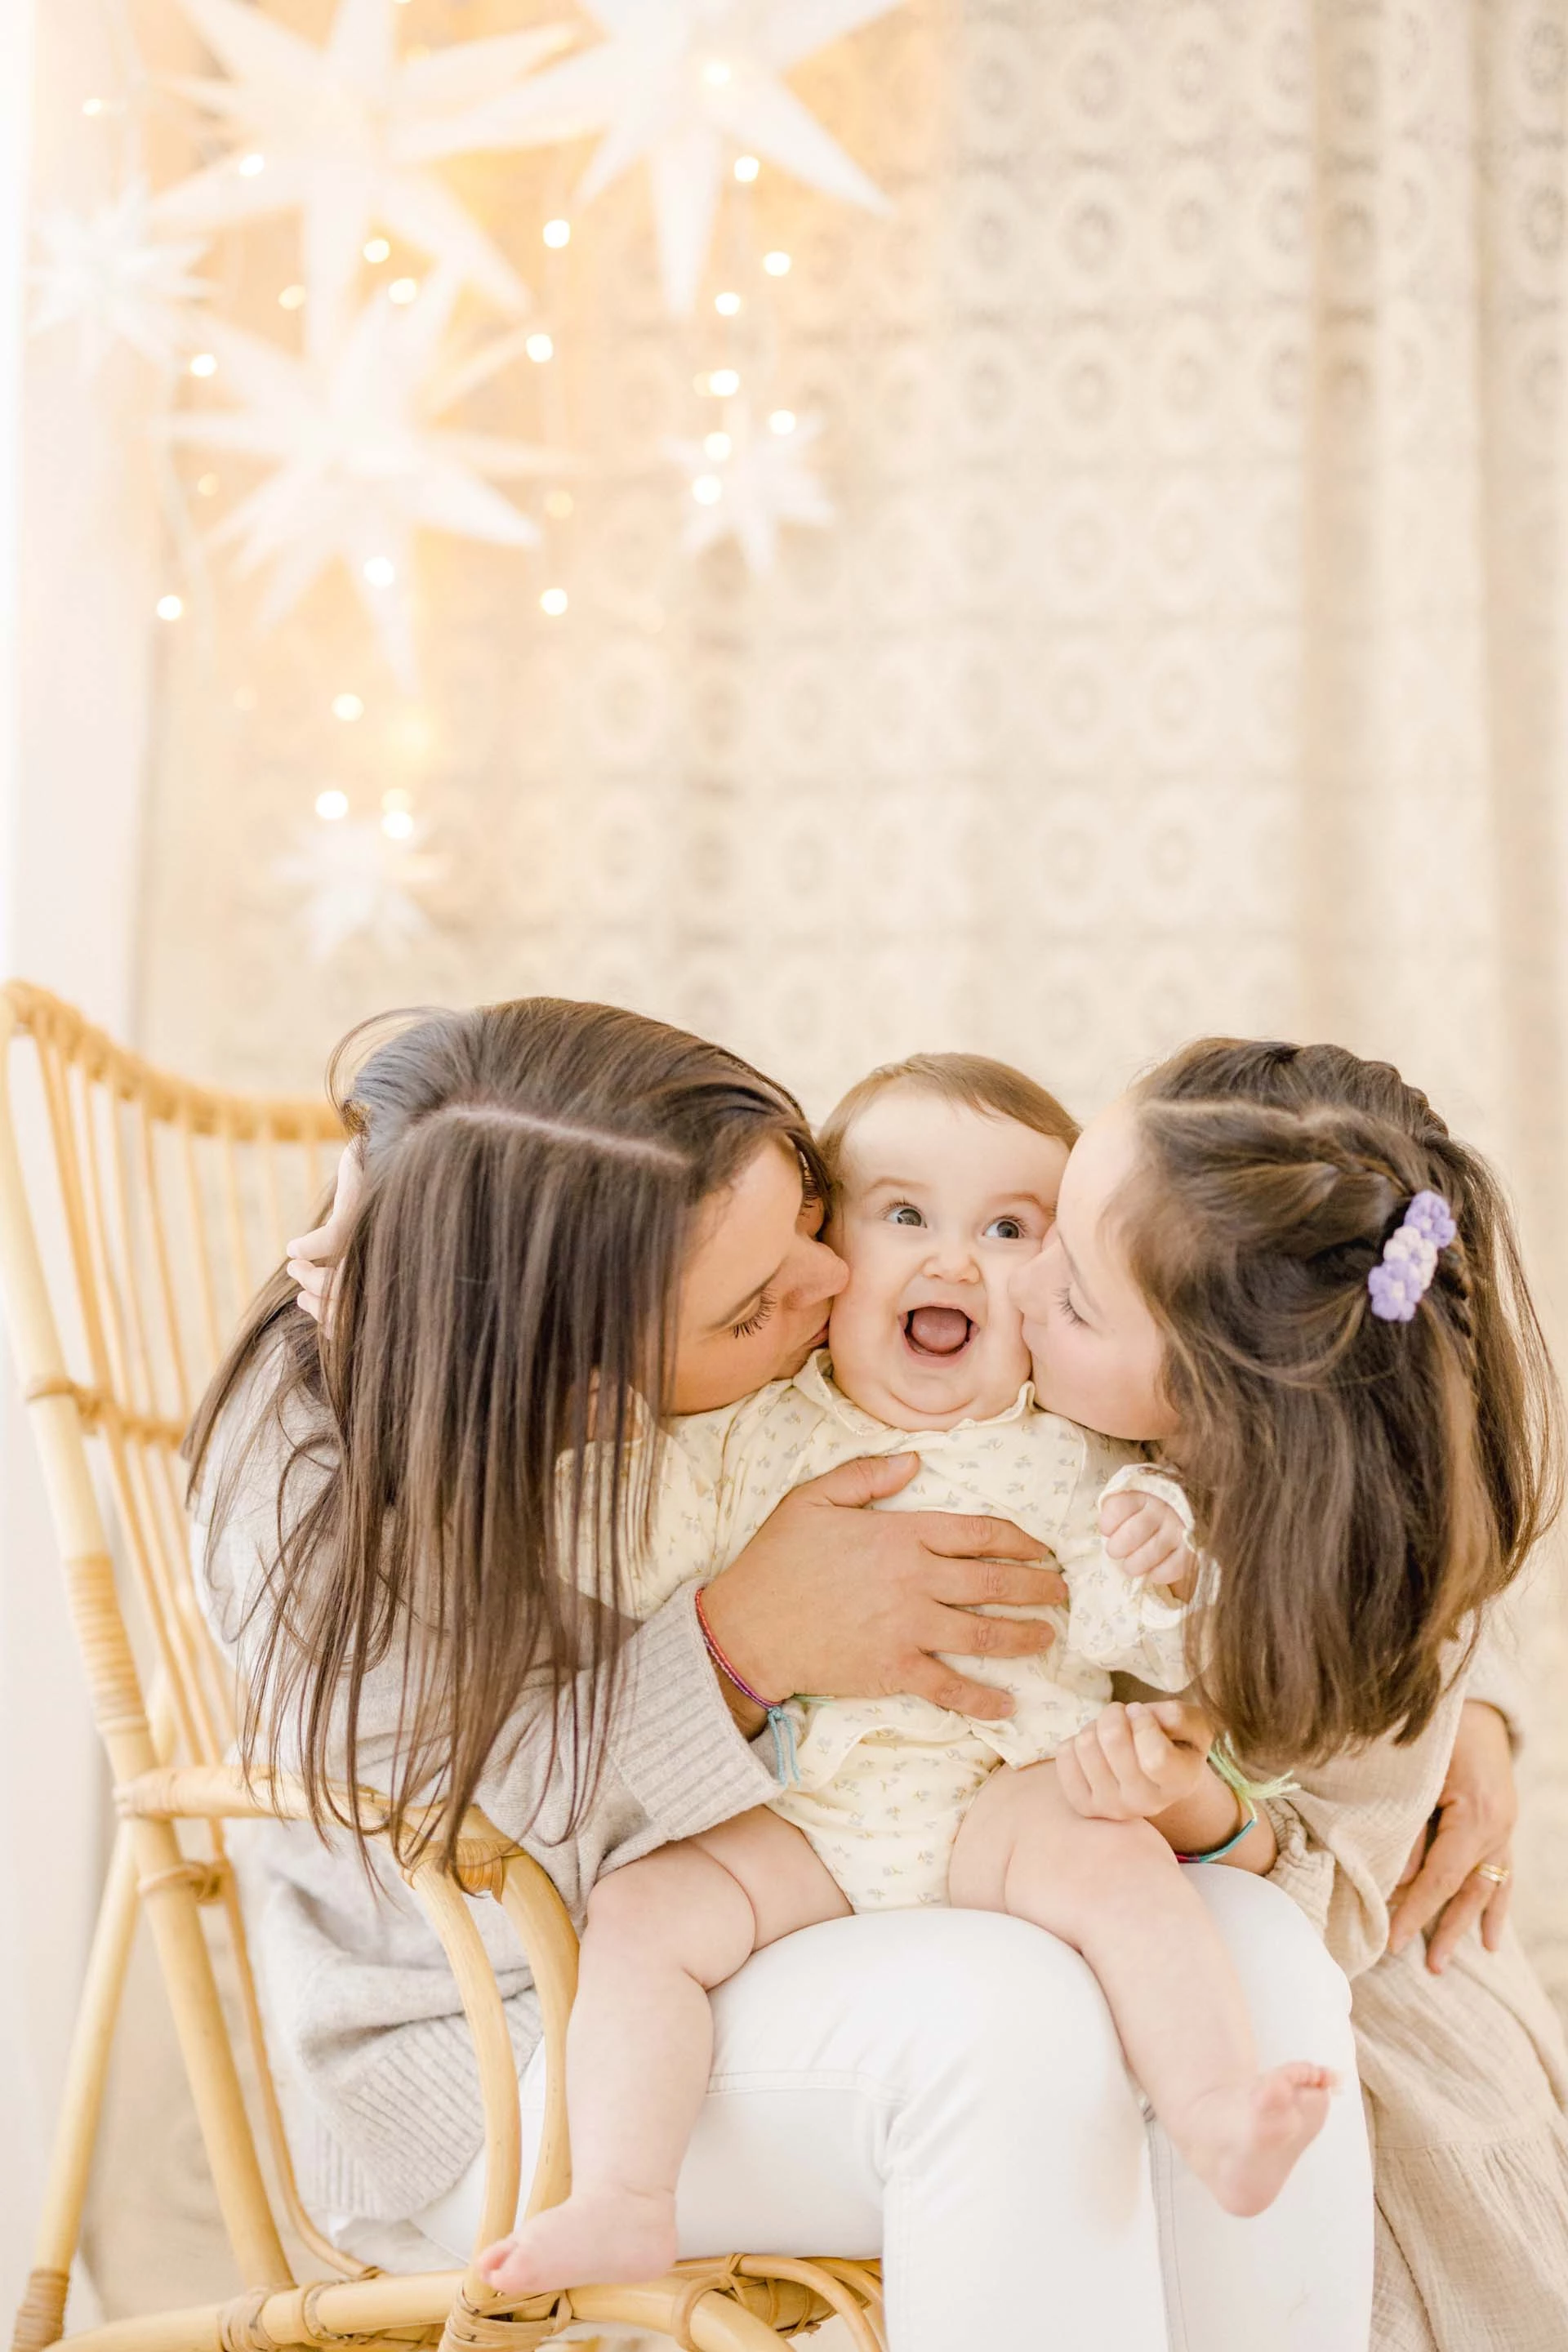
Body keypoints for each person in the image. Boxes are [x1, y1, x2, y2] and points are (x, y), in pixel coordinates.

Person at [188, 999, 1371, 2352]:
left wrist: (1431, 1708)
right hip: (512, 2027)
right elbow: (472, 1843)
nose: (830, 1288)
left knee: (1261, 1952)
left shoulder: (664, 1235)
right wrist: (742, 1644)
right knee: (1002, 2031)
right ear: (584, 1392)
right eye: (758, 1306)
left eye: (816, 1215)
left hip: (846, 1875)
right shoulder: (319, 1498)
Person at [479, 1054, 1334, 2301]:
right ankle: (622, 2194)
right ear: (826, 1268)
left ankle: (1213, 2111)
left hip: (999, 1794)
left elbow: (1141, 1641)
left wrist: (1161, 1570)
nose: (954, 1261)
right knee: (645, 1919)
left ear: (1058, 1286)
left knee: (1118, 1860)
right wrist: (577, 1443)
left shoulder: (1080, 1453)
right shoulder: (755, 1429)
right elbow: (613, 1542)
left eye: (1007, 1229)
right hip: (799, 1818)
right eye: (905, 1215)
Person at [1133, 1039, 1568, 2352]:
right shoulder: (1074, 1362)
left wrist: (1452, 1715)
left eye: (1071, 1271)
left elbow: (1334, 1842)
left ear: (1210, 1389)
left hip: (1364, 2007)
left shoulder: (1305, 1522)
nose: (1015, 1272)